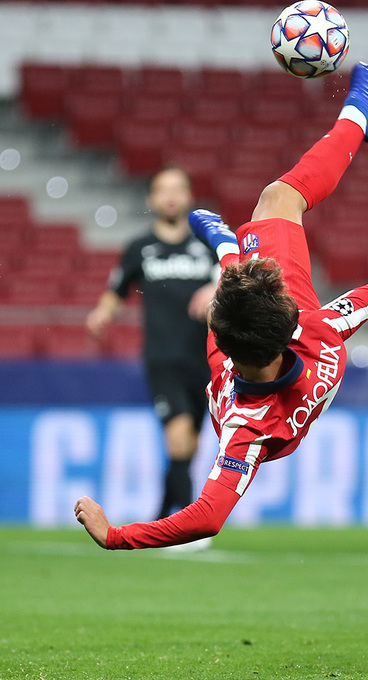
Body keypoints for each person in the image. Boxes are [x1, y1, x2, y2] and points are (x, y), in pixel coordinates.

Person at [74, 62, 368, 550]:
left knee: (254, 239)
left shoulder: (236, 396)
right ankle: (360, 119)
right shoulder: (317, 335)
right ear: (287, 319)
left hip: (254, 358)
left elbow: (209, 516)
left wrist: (113, 536)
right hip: (283, 360)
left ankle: (229, 249)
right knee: (279, 197)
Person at [86, 166, 218, 530]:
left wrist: (215, 287)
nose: (171, 196)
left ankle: (161, 516)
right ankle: (190, 526)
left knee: (188, 447)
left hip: (207, 363)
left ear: (190, 197)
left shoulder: (208, 246)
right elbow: (117, 290)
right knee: (178, 441)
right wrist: (102, 314)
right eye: (163, 190)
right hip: (163, 360)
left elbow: (235, 274)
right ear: (151, 199)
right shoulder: (139, 248)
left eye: (178, 189)